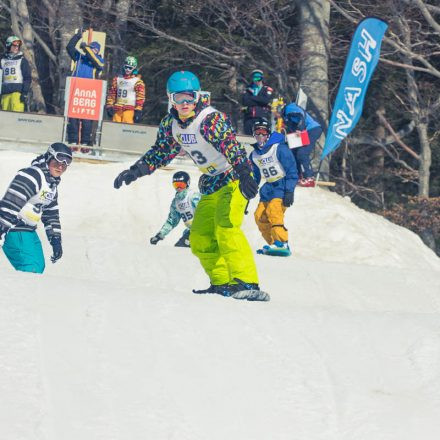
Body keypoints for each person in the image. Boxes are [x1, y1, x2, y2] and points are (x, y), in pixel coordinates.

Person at [114, 70, 263, 299]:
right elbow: (161, 152)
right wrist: (134, 171)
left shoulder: (209, 119)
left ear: (198, 96)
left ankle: (247, 281)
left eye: (189, 98)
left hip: (234, 177)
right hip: (212, 183)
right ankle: (222, 282)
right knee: (199, 236)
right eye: (178, 98)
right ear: (170, 99)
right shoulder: (171, 125)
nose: (185, 104)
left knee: (226, 227)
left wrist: (245, 174)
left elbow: (230, 146)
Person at [0, 143, 72, 273]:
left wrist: (55, 240)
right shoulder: (31, 176)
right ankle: (19, 293)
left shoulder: (51, 184)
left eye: (66, 164)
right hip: (15, 229)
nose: (61, 167)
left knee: (38, 267)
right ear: (49, 158)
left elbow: (51, 214)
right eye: (57, 162)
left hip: (29, 231)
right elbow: (10, 204)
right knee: (31, 268)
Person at [249, 119, 298, 256]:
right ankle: (273, 244)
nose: (260, 136)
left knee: (274, 210)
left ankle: (282, 242)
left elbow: (292, 170)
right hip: (268, 187)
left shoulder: (279, 148)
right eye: (257, 132)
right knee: (259, 215)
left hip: (281, 185)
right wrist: (249, 189)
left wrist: (289, 191)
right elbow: (255, 176)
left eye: (263, 132)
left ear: (268, 134)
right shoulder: (254, 154)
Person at [66, 30, 105, 150]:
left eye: (93, 49)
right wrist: (77, 36)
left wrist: (87, 49)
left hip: (89, 92)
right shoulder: (79, 58)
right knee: (72, 117)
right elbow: (69, 47)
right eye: (90, 48)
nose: (90, 50)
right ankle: (72, 141)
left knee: (87, 119)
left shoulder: (98, 60)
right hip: (76, 90)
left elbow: (98, 63)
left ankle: (85, 142)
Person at [150, 171, 201, 247]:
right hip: (191, 231)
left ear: (187, 184)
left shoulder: (193, 196)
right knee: (179, 249)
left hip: (203, 230)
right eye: (176, 185)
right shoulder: (176, 202)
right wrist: (159, 235)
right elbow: (172, 221)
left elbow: (207, 213)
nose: (179, 188)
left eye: (181, 185)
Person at [282, 102, 323, 188]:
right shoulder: (285, 116)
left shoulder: (289, 108)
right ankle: (298, 175)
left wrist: (300, 129)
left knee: (302, 153)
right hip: (304, 131)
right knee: (292, 151)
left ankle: (309, 177)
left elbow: (300, 116)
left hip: (311, 129)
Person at [106, 56, 146, 124]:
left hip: (129, 110)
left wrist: (138, 109)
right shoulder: (117, 79)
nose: (127, 69)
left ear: (134, 68)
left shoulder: (137, 82)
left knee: (126, 127)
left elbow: (140, 97)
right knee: (114, 127)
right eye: (126, 67)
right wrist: (109, 105)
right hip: (118, 109)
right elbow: (112, 93)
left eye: (130, 68)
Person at [0, 35, 31, 112]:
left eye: (18, 46)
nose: (16, 47)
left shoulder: (22, 60)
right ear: (8, 46)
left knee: (15, 116)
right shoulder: (2, 60)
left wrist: (24, 93)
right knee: (5, 117)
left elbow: (27, 78)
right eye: (14, 46)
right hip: (5, 93)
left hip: (17, 93)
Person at [241, 69, 273, 135]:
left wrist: (252, 98)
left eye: (259, 78)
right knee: (248, 136)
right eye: (255, 78)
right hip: (249, 117)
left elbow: (265, 101)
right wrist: (259, 101)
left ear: (262, 78)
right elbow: (245, 102)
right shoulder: (248, 89)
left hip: (262, 117)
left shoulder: (266, 89)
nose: (257, 81)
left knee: (261, 135)